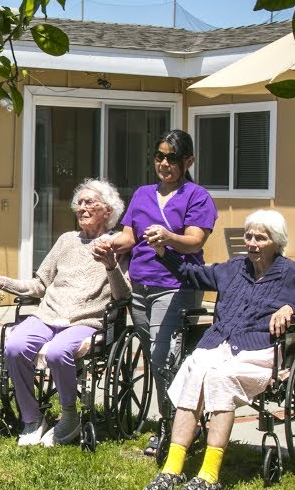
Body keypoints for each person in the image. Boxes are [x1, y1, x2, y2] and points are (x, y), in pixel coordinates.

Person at [142, 209, 295, 490]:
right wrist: (162, 251)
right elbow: (191, 274)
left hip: (259, 351)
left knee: (221, 378)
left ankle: (209, 474)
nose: (253, 243)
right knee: (195, 370)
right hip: (217, 344)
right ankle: (173, 468)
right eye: (249, 236)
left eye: (261, 237)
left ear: (276, 241)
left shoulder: (291, 274)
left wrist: (292, 309)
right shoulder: (235, 268)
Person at [0, 179, 130, 447]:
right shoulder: (66, 240)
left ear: (108, 210)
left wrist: (111, 267)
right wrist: (3, 281)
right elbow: (39, 285)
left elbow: (122, 295)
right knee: (15, 345)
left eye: (89, 202)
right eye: (78, 203)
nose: (81, 208)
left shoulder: (118, 244)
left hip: (87, 321)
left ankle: (69, 417)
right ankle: (32, 418)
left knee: (59, 352)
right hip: (48, 315)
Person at [93, 129, 217, 455]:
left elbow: (195, 240)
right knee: (155, 357)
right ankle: (173, 422)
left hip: (176, 286)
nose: (164, 163)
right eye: (159, 156)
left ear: (188, 161)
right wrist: (105, 244)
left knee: (165, 357)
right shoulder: (143, 194)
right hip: (140, 286)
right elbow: (129, 238)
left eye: (172, 158)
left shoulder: (197, 196)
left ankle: (173, 428)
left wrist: (167, 237)